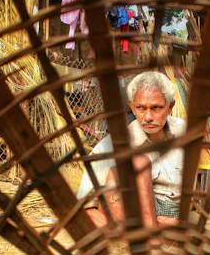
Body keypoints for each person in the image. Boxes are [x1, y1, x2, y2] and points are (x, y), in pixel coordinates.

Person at [76, 71, 186, 227]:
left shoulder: (184, 132)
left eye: (156, 108)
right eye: (141, 108)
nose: (148, 117)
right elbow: (86, 207)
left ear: (170, 107)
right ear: (132, 107)